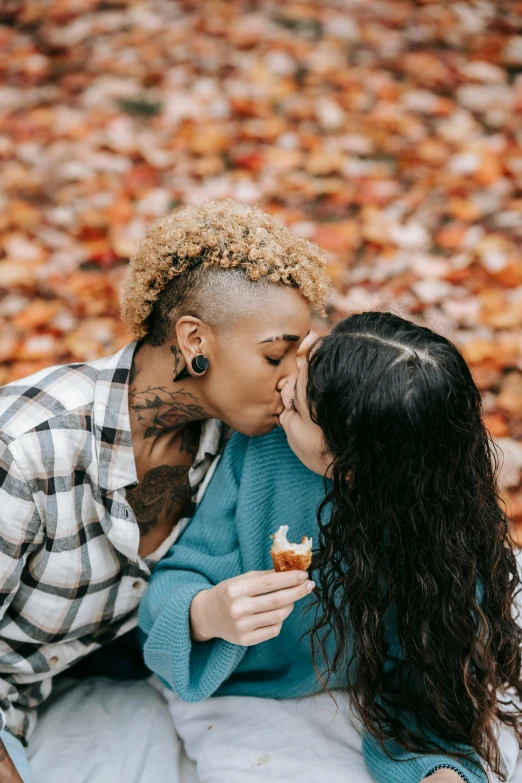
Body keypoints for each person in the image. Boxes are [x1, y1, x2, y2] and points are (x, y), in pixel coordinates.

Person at [0, 199, 330, 781]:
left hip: (93, 682)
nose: (290, 381)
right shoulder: (26, 451)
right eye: (275, 355)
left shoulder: (240, 441)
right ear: (194, 340)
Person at [140, 311, 522, 783]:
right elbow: (173, 584)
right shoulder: (259, 448)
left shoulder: (442, 531)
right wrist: (207, 613)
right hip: (240, 686)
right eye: (303, 363)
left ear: (350, 468)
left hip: (351, 689)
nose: (283, 388)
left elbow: (427, 674)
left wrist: (438, 770)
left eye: (299, 407)